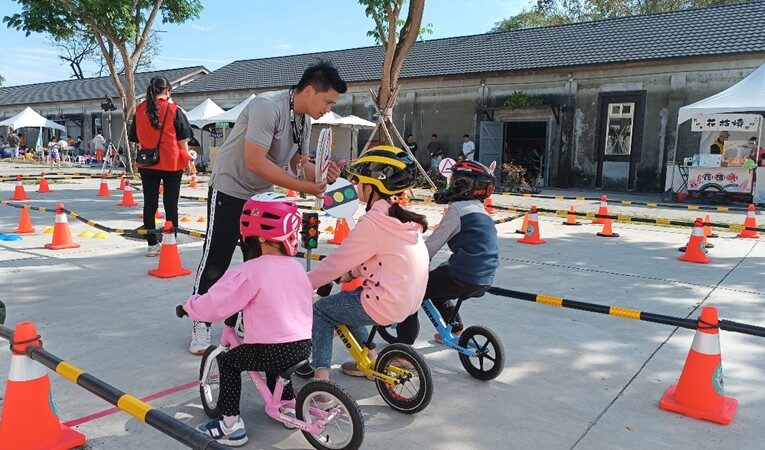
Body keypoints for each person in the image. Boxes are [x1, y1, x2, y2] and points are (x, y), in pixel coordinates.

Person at [189, 61, 348, 355]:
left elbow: (299, 164)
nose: (328, 108)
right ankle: (200, 321)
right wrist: (305, 187)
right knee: (216, 258)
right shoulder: (267, 107)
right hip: (230, 187)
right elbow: (256, 161)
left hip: (261, 198)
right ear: (310, 91)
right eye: (327, 101)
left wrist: (323, 173)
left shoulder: (305, 121)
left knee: (262, 265)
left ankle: (246, 324)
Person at [180, 195, 312, 446]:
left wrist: (190, 308)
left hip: (270, 349)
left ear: (251, 234)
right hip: (303, 345)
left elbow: (216, 303)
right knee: (277, 356)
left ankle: (230, 424)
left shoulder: (250, 270)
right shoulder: (295, 267)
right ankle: (285, 404)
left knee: (230, 362)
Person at [306, 146, 430, 380]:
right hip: (410, 302)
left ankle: (320, 381)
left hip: (386, 303)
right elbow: (380, 260)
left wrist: (303, 284)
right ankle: (370, 362)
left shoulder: (373, 223)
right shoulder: (402, 218)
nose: (355, 185)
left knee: (322, 310)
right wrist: (351, 274)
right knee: (349, 304)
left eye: (358, 181)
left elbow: (336, 262)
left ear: (372, 187)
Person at [395, 160, 499, 344]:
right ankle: (458, 331)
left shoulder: (458, 210)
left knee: (411, 293)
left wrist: (410, 262)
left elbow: (432, 245)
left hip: (462, 274)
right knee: (439, 289)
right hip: (485, 276)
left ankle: (404, 351)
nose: (450, 185)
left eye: (454, 181)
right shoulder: (481, 211)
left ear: (464, 185)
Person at [128, 76, 193, 257]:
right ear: (168, 90)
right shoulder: (173, 109)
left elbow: (137, 139)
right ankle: (170, 242)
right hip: (171, 162)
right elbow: (182, 141)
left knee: (150, 204)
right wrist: (187, 161)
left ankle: (152, 245)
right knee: (171, 205)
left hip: (147, 163)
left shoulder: (140, 110)